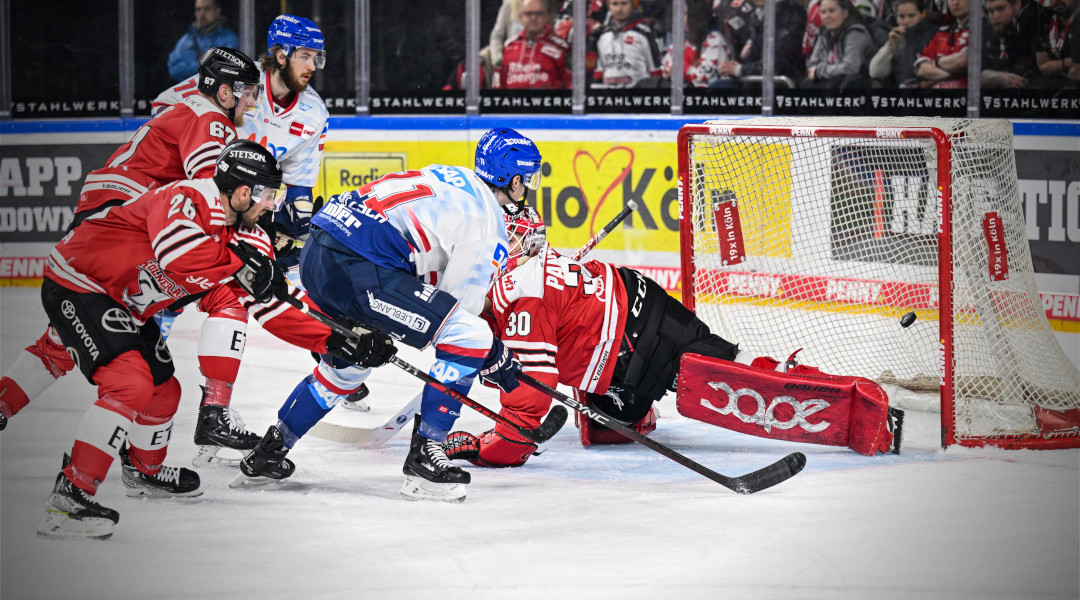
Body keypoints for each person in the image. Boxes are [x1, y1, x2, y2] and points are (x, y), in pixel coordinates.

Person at [35, 140, 395, 540]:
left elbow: (275, 309)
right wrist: (239, 266)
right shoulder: (188, 197)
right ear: (244, 193)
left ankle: (143, 472)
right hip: (79, 279)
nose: (272, 205)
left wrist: (337, 339)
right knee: (130, 383)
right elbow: (177, 255)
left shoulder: (253, 238)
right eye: (269, 195)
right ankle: (69, 499)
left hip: (126, 303)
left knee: (163, 391)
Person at [442, 207, 902, 468]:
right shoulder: (523, 273)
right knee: (606, 426)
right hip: (639, 299)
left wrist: (491, 449)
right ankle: (638, 406)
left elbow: (529, 396)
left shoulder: (515, 296)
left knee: (729, 383)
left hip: (635, 346)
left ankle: (859, 409)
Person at [231, 128, 543, 504]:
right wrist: (495, 358)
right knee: (471, 336)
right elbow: (461, 314)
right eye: (528, 179)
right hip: (359, 268)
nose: (528, 186)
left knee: (347, 368)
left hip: (318, 250)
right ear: (513, 180)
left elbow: (422, 269)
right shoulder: (488, 221)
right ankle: (425, 459)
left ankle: (269, 451)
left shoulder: (451, 178)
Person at [0, 48, 265, 465]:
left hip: (108, 216)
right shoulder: (212, 120)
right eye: (249, 91)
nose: (254, 101)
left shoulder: (191, 106)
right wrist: (254, 238)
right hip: (121, 221)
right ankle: (211, 412)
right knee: (225, 294)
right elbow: (212, 189)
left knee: (64, 338)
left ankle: (5, 405)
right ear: (226, 91)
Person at [719, 0, 808, 85]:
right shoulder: (758, 15)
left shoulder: (789, 15)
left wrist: (740, 70)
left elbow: (776, 65)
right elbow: (754, 55)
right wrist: (734, 67)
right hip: (760, 83)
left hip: (782, 87)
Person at [492, 0, 572, 89]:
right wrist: (496, 59)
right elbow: (498, 90)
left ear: (546, 16)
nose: (534, 18)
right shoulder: (508, 49)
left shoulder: (561, 49)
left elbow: (570, 86)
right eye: (528, 14)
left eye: (539, 14)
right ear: (520, 17)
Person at [802, 0, 877, 88]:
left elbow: (851, 67)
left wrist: (820, 71)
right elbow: (812, 65)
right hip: (831, 81)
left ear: (845, 13)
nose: (827, 16)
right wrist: (820, 71)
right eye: (823, 12)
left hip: (855, 84)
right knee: (807, 84)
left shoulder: (856, 33)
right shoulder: (824, 33)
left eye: (832, 11)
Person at [661, 0, 734, 88]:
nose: (683, 20)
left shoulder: (714, 39)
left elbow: (703, 76)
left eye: (685, 14)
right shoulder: (682, 39)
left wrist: (679, 69)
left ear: (696, 17)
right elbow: (667, 64)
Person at [592, 0, 665, 87]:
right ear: (609, 6)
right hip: (610, 96)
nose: (619, 9)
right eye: (615, 4)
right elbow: (599, 72)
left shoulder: (645, 33)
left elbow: (656, 71)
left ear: (633, 5)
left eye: (624, 3)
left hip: (638, 96)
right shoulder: (604, 36)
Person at [982, 0, 1054, 88]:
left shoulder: (1036, 23)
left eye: (1001, 9)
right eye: (991, 11)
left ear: (1016, 5)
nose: (996, 16)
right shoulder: (988, 33)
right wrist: (998, 78)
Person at [868, 0, 941, 86]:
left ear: (923, 13)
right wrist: (889, 47)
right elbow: (875, 73)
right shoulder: (896, 37)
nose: (906, 21)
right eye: (901, 17)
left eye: (911, 16)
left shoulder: (937, 35)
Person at [167, 0, 239, 82]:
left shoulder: (229, 38)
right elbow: (174, 70)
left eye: (207, 9)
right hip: (187, 92)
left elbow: (222, 69)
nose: (202, 14)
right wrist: (206, 65)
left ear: (217, 11)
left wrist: (190, 68)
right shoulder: (186, 39)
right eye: (198, 10)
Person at [912, 0, 970, 87]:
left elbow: (962, 61)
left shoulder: (983, 30)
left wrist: (935, 63)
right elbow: (922, 68)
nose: (955, 3)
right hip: (939, 97)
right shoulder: (943, 32)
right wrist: (951, 76)